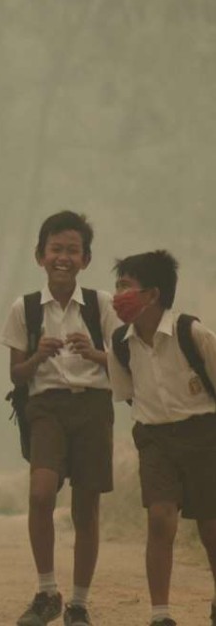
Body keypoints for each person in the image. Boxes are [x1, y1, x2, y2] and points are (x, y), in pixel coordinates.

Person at [1, 211, 121, 626]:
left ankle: (80, 603)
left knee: (85, 507)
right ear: (40, 255)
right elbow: (15, 373)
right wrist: (38, 356)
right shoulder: (26, 308)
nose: (63, 257)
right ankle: (47, 591)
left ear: (86, 259)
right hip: (46, 407)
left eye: (73, 250)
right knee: (41, 493)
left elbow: (126, 365)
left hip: (92, 407)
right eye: (56, 249)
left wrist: (95, 354)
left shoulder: (102, 306)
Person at [106, 250, 216, 626]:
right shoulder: (120, 342)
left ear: (152, 295)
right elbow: (129, 393)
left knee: (211, 526)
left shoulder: (192, 333)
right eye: (117, 285)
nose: (118, 294)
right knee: (159, 519)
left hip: (204, 435)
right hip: (154, 439)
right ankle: (161, 614)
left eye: (125, 286)